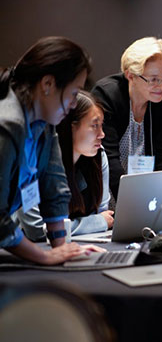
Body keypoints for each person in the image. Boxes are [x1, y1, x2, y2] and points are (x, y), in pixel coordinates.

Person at [0, 36, 100, 264]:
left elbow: (54, 188)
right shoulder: (6, 126)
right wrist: (43, 256)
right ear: (47, 84)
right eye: (74, 94)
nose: (75, 104)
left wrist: (64, 250)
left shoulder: (45, 124)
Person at [91, 37, 162, 200]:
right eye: (153, 79)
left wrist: (158, 201)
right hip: (108, 189)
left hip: (150, 192)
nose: (161, 86)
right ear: (130, 75)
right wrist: (131, 202)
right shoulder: (107, 95)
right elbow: (108, 156)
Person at [13, 91, 114, 240]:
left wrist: (96, 222)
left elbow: (104, 214)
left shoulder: (98, 156)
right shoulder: (35, 161)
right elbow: (37, 229)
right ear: (70, 127)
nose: (102, 134)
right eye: (94, 126)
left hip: (84, 242)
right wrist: (96, 222)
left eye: (102, 126)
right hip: (30, 249)